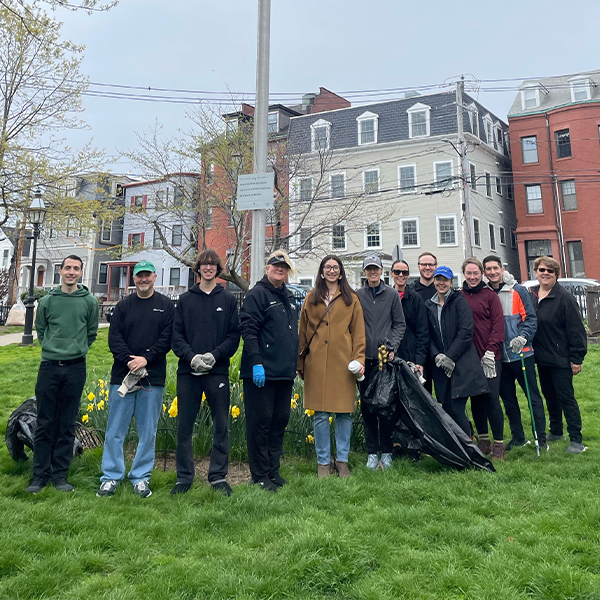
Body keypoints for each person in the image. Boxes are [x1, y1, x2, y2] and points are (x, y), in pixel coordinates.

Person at [97, 260, 175, 498]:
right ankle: (110, 476)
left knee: (148, 431)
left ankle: (141, 477)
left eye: (147, 275)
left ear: (154, 277)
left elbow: (167, 339)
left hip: (152, 377)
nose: (143, 279)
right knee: (115, 430)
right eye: (139, 275)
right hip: (123, 376)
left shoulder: (166, 306)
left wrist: (146, 359)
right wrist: (130, 360)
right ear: (134, 279)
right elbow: (114, 339)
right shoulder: (122, 306)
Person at [26, 255, 99, 493]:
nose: (71, 272)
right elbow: (41, 328)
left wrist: (78, 350)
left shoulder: (89, 301)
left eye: (76, 269)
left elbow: (91, 332)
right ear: (60, 271)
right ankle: (39, 475)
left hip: (75, 367)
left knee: (67, 423)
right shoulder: (47, 301)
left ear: (80, 273)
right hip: (49, 366)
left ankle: (60, 475)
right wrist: (51, 347)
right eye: (67, 267)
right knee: (45, 422)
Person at [171, 249, 240, 495]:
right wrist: (191, 358)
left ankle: (218, 476)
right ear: (198, 269)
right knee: (185, 426)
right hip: (188, 373)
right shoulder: (185, 299)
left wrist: (215, 355)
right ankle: (184, 477)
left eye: (213, 264)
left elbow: (234, 336)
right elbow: (176, 337)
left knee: (221, 425)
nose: (208, 267)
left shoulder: (228, 300)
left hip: (217, 372)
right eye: (204, 264)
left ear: (218, 269)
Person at [298, 255, 366, 478]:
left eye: (335, 267)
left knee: (344, 413)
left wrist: (359, 359)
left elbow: (358, 333)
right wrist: (301, 363)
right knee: (319, 413)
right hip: (316, 362)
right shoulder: (311, 297)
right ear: (321, 271)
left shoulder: (351, 299)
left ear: (341, 272)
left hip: (343, 363)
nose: (332, 271)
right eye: (328, 267)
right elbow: (303, 333)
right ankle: (323, 462)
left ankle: (343, 460)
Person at [240, 250, 299, 492]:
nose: (280, 269)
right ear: (267, 268)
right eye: (276, 266)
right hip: (262, 371)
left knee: (279, 421)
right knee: (260, 423)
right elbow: (249, 329)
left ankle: (273, 471)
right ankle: (260, 475)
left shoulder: (288, 296)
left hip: (284, 371)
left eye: (284, 267)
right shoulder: (257, 295)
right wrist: (255, 362)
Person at [482, 255, 547, 451]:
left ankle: (540, 438)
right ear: (485, 272)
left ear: (502, 269)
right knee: (508, 399)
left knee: (532, 397)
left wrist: (523, 336)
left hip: (521, 353)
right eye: (488, 269)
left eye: (495, 268)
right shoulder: (485, 293)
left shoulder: (518, 290)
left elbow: (531, 319)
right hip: (499, 357)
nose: (492, 272)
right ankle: (518, 436)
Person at [529, 256, 587, 453]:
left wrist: (576, 358)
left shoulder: (565, 298)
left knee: (566, 397)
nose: (545, 273)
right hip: (541, 358)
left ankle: (576, 440)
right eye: (541, 270)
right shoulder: (533, 296)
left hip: (561, 358)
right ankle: (556, 430)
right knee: (549, 396)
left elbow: (576, 330)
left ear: (556, 275)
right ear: (536, 272)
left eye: (550, 271)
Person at [425, 266, 488, 435]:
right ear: (434, 281)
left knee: (456, 408)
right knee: (447, 409)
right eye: (438, 279)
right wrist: (437, 355)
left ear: (451, 282)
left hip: (462, 364)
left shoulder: (459, 301)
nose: (441, 283)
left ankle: (468, 450)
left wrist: (450, 357)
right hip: (441, 367)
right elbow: (428, 335)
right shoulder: (429, 305)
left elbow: (466, 332)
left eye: (445, 280)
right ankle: (459, 447)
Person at [356, 255, 406, 470]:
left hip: (384, 359)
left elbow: (399, 324)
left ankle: (386, 451)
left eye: (375, 269)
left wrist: (391, 346)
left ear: (381, 270)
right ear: (365, 272)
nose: (372, 272)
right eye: (369, 269)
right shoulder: (357, 296)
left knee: (385, 407)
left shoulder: (392, 294)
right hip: (363, 360)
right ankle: (371, 453)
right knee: (367, 408)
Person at [461, 258, 506, 460]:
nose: (472, 277)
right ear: (464, 274)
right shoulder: (459, 297)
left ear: (481, 274)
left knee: (491, 398)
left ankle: (498, 444)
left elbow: (498, 324)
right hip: (469, 357)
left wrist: (491, 350)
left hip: (490, 356)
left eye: (475, 273)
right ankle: (483, 440)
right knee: (476, 397)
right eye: (468, 273)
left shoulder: (490, 296)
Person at [390, 259, 429, 461]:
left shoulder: (415, 299)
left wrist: (420, 360)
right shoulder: (387, 296)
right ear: (392, 274)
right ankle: (396, 443)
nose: (401, 275)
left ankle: (415, 444)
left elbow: (423, 332)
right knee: (394, 401)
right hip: (391, 356)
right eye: (397, 272)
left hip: (412, 356)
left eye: (404, 272)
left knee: (414, 402)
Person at [411, 252, 438, 392]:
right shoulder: (411, 292)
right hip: (419, 350)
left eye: (431, 264)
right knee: (422, 394)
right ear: (418, 266)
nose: (427, 267)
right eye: (424, 264)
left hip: (439, 349)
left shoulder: (442, 290)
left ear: (435, 266)